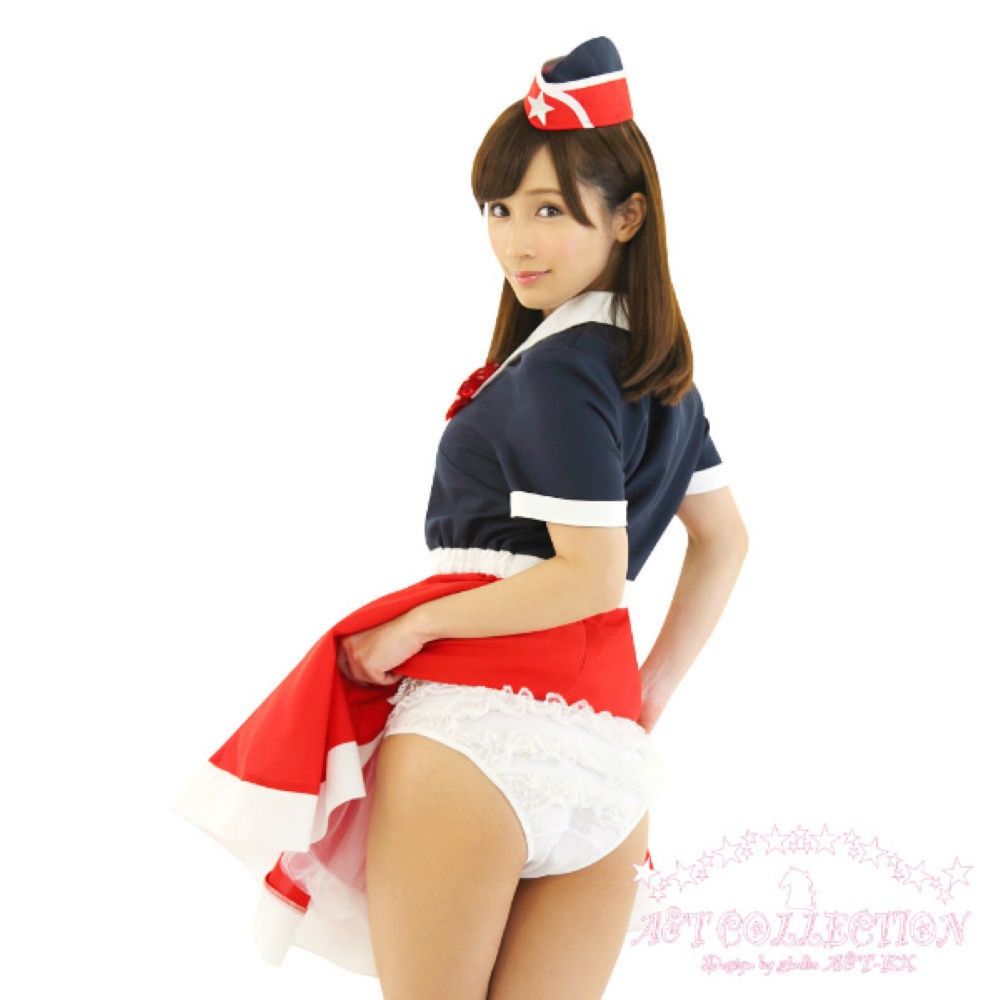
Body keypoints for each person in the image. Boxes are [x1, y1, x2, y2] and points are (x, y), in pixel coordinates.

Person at [173, 35, 747, 999]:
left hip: (476, 733)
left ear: (629, 215)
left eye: (550, 210)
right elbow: (724, 540)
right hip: (607, 763)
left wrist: (416, 625)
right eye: (499, 208)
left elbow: (588, 574)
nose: (517, 240)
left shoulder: (559, 373)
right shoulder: (660, 376)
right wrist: (645, 698)